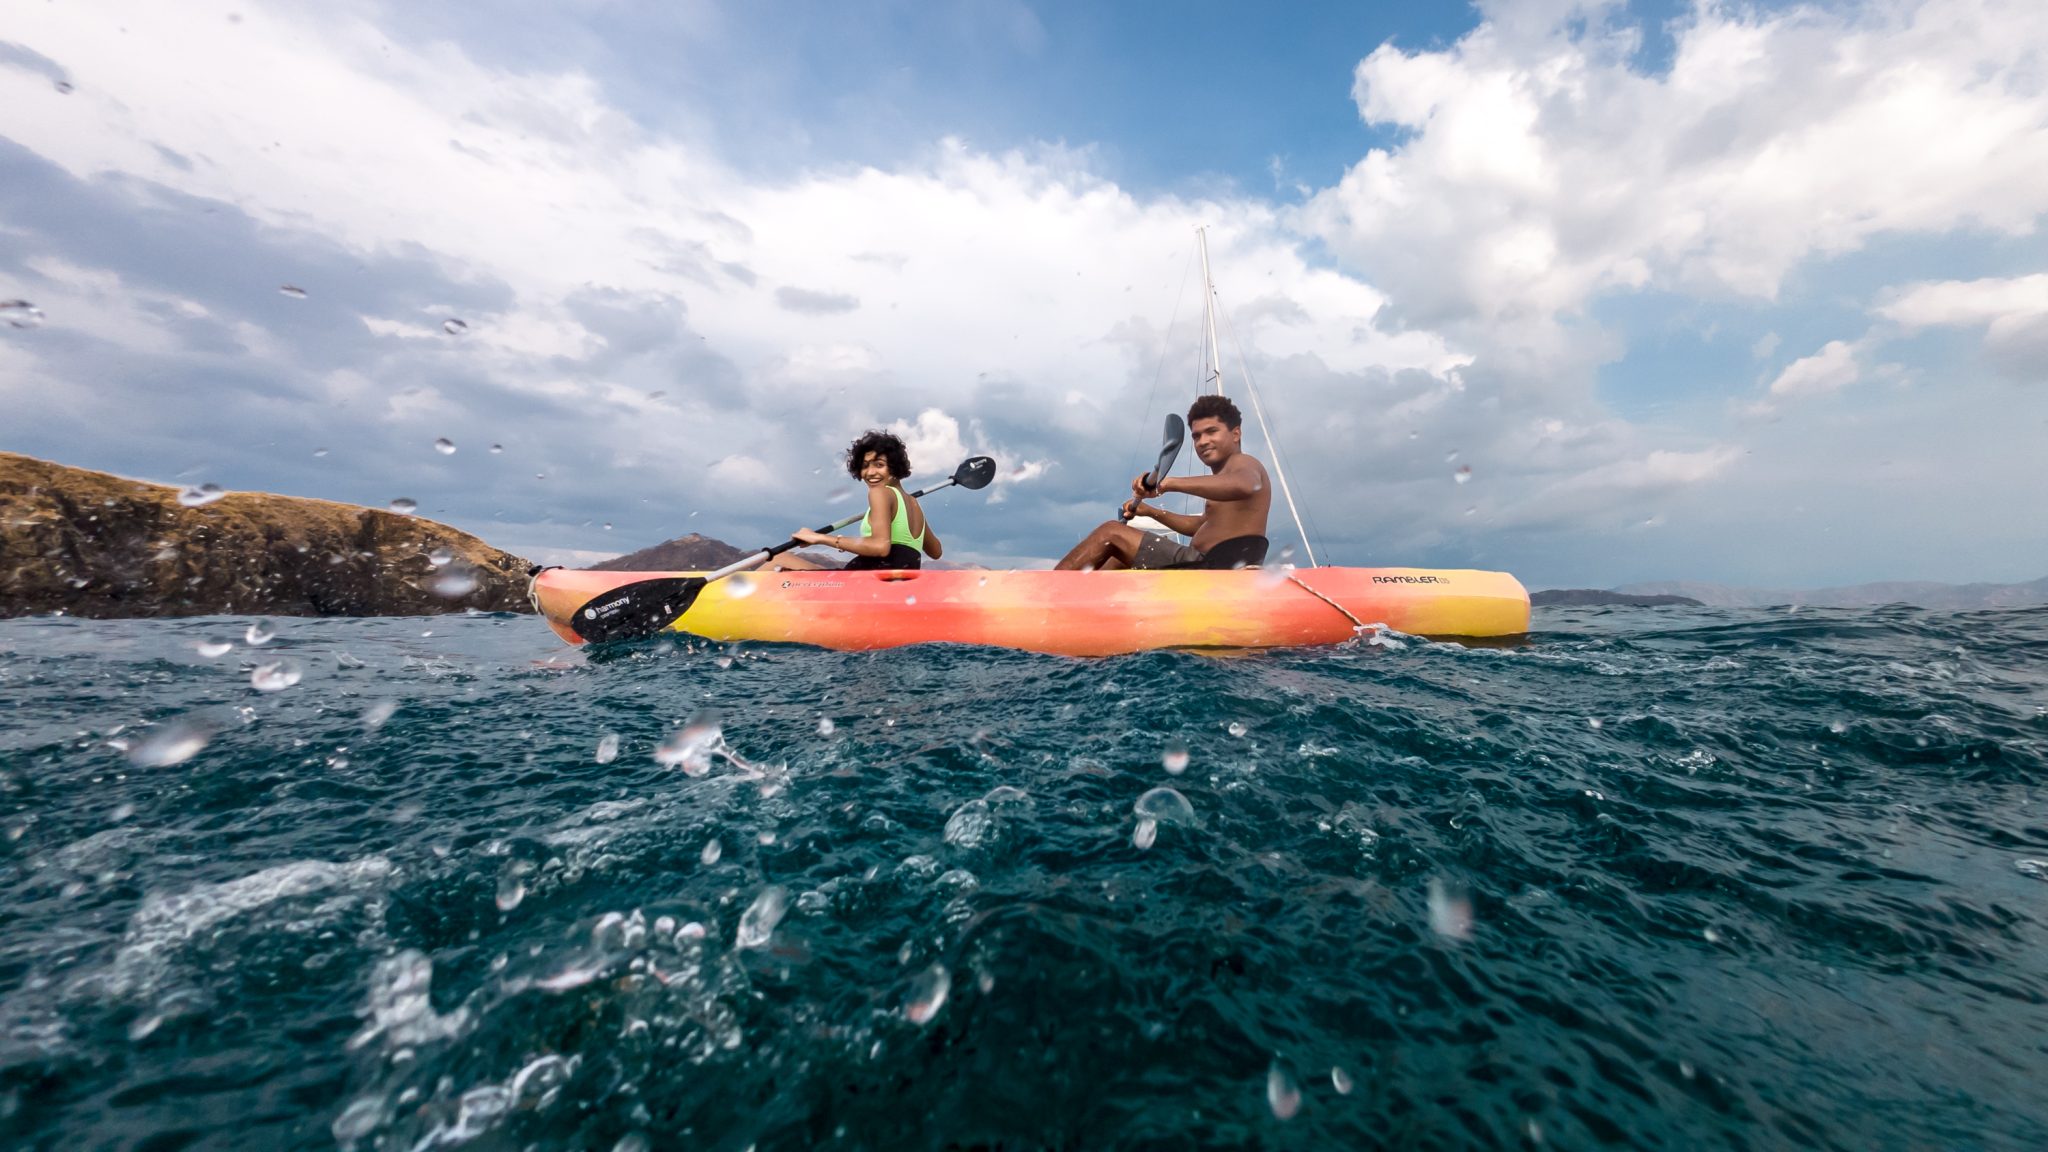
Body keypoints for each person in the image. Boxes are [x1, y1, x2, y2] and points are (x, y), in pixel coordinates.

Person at [1054, 395, 1271, 571]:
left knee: (1112, 533)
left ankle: (1046, 592)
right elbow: (1200, 526)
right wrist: (1150, 511)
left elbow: (1247, 485)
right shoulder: (1223, 478)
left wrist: (1167, 483)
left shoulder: (1244, 463)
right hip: (1201, 563)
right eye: (1196, 436)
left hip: (1212, 567)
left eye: (1211, 431)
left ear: (1236, 434)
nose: (1203, 441)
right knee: (1119, 559)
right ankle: (1083, 614)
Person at [793, 430, 944, 570]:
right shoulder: (913, 503)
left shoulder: (880, 492)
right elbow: (936, 551)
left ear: (894, 467)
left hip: (872, 582)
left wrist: (818, 538)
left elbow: (880, 547)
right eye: (864, 466)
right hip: (900, 582)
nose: (870, 473)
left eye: (879, 465)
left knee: (779, 560)